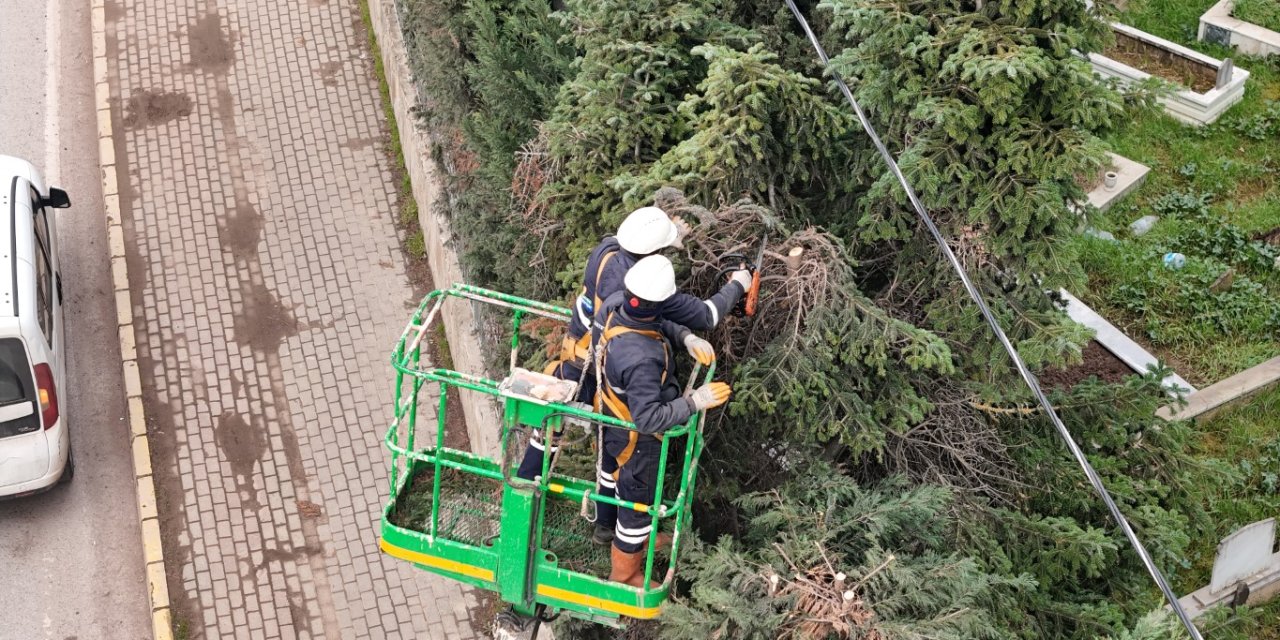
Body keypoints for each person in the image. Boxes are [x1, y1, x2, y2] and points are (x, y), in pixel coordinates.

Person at [515, 206, 748, 540]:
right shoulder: (643, 288)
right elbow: (707, 314)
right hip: (600, 368)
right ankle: (600, 524)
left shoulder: (606, 251)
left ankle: (526, 496)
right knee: (615, 445)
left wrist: (683, 335)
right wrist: (739, 284)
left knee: (555, 430)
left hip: (577, 354)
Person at [593, 255, 732, 588]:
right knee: (636, 504)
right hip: (639, 442)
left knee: (620, 484)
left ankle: (623, 537)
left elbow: (655, 320)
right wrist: (696, 401)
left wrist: (685, 337)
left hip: (613, 420)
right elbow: (649, 418)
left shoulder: (621, 310)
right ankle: (624, 575)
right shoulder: (642, 357)